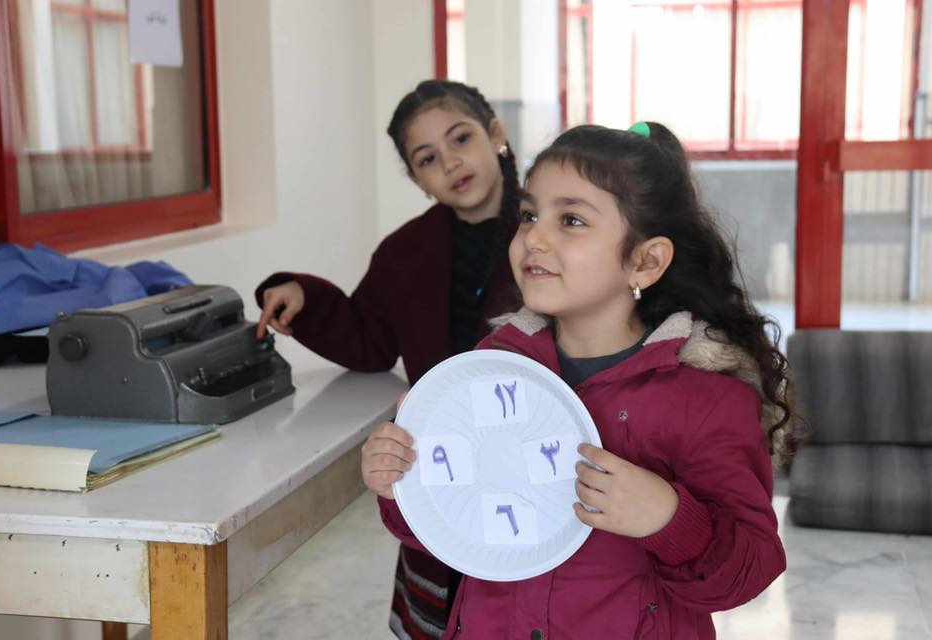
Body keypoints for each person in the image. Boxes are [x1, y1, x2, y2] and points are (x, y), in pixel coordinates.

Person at [362, 122, 801, 639]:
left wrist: (667, 517)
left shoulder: (705, 397)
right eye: (529, 215)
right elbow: (449, 528)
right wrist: (399, 481)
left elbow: (749, 569)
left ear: (645, 261)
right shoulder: (496, 365)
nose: (534, 238)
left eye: (571, 219)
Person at [255, 79, 520, 639]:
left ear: (495, 134)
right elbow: (370, 340)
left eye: (461, 139)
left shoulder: (547, 232)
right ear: (417, 180)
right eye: (427, 159)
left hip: (531, 454)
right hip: (442, 462)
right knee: (445, 601)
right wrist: (305, 297)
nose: (450, 163)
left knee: (528, 602)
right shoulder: (406, 253)